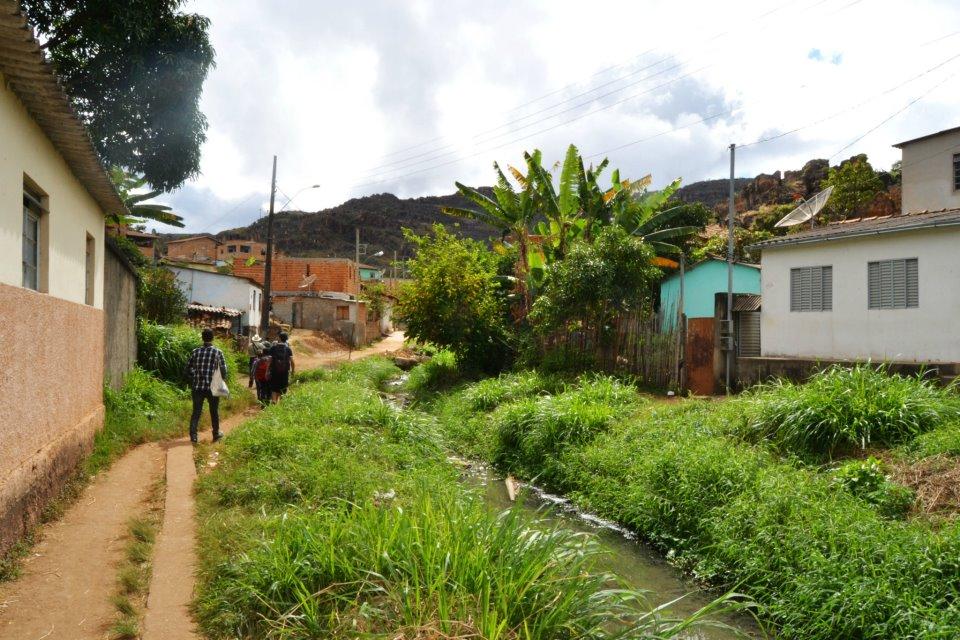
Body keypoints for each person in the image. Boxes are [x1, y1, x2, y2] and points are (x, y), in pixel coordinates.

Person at [186, 328, 228, 444]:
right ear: (212, 338)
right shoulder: (217, 352)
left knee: (196, 412)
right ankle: (216, 435)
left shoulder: (195, 351)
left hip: (197, 387)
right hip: (213, 387)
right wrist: (221, 380)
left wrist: (195, 375)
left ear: (202, 338)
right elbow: (224, 370)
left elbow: (188, 368)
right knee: (214, 411)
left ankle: (193, 437)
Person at [268, 331, 295, 403]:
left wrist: (267, 371)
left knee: (274, 388)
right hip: (285, 372)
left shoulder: (273, 348)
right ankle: (281, 404)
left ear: (279, 338)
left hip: (274, 371)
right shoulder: (288, 349)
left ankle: (274, 401)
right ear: (286, 339)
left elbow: (269, 360)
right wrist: (293, 371)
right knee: (283, 389)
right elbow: (292, 361)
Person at [252, 342, 272, 406]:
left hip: (261, 377)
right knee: (269, 389)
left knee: (262, 389)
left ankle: (262, 403)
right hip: (269, 377)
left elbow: (255, 369)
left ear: (263, 353)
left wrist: (254, 377)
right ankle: (268, 402)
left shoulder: (259, 360)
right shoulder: (272, 359)